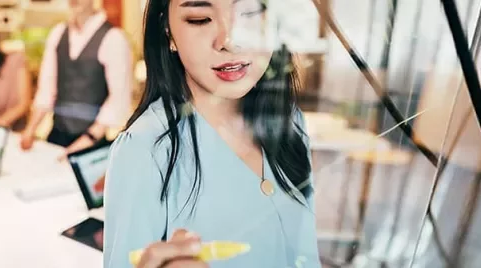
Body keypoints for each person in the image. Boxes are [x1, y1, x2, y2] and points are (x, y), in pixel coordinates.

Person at [103, 0, 320, 267]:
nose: (229, 40)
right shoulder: (144, 150)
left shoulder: (290, 121)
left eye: (250, 13)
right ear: (167, 30)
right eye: (200, 19)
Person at [20, 0, 133, 154]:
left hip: (91, 142)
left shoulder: (114, 38)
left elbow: (118, 100)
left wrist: (86, 141)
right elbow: (47, 89)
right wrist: (30, 129)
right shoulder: (58, 33)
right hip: (57, 135)